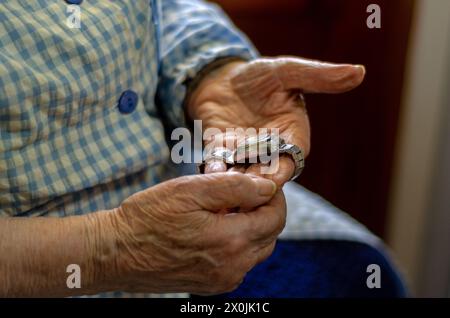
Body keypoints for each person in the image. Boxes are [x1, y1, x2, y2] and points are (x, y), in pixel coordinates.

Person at [0, 0, 405, 297]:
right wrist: (113, 247)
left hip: (188, 189)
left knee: (367, 275)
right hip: (54, 271)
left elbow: (168, 8)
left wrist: (213, 73)